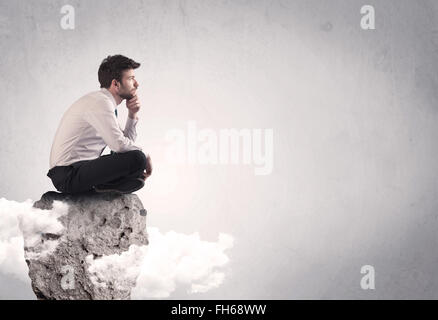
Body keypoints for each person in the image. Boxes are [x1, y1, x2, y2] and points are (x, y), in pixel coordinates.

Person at [47, 54, 152, 194]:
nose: (137, 84)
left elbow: (125, 147)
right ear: (116, 84)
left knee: (135, 162)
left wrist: (132, 114)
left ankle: (103, 187)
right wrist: (145, 155)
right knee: (138, 159)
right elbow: (120, 145)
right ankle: (104, 187)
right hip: (68, 174)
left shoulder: (104, 103)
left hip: (80, 169)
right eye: (131, 79)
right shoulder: (100, 102)